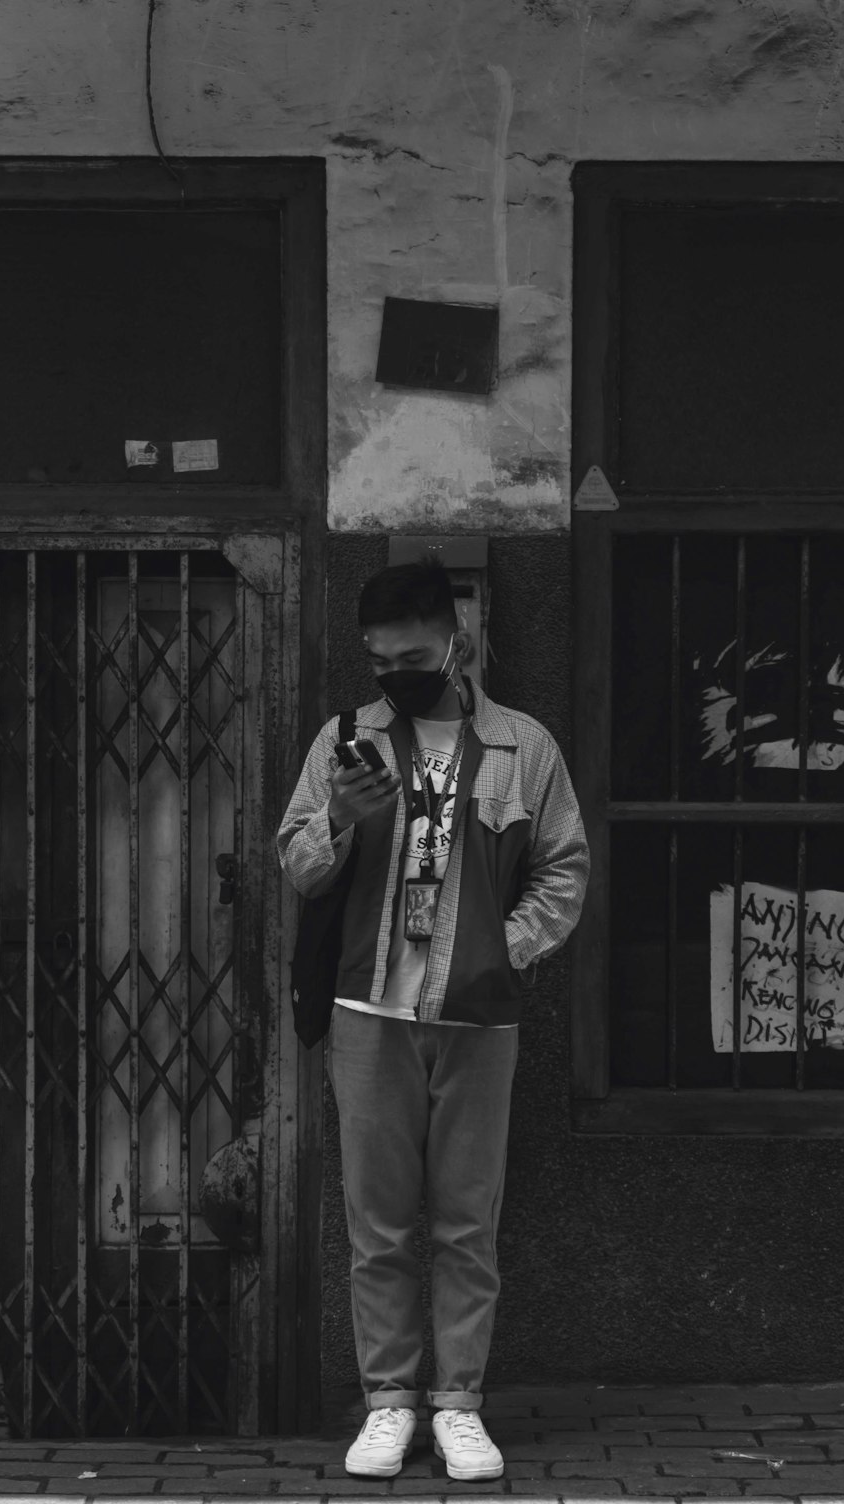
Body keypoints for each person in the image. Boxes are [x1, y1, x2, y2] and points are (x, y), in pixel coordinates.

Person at [277, 559, 589, 1482]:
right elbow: (296, 864)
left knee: (465, 1224)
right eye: (380, 663)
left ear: (456, 641)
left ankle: (458, 1405)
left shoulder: (521, 747)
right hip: (369, 1010)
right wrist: (336, 820)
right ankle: (388, 1404)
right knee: (377, 1223)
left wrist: (504, 949)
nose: (396, 677)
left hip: (477, 1018)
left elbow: (564, 870)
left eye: (412, 656)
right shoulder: (346, 740)